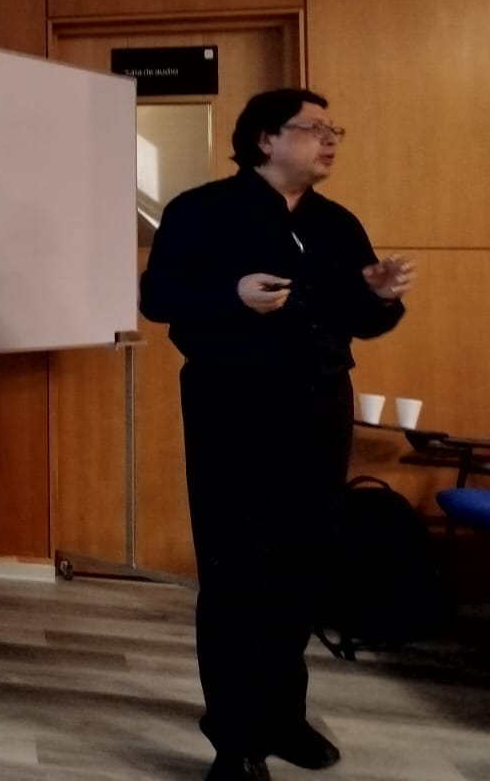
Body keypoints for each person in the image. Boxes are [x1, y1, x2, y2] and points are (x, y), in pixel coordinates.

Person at [140, 89, 415, 781]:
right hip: (231, 405)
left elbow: (360, 320)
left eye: (334, 129)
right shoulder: (200, 211)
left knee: (305, 561)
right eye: (314, 128)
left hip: (319, 406)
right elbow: (158, 298)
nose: (330, 139)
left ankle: (284, 716)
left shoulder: (336, 223)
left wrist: (381, 296)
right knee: (237, 569)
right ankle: (236, 740)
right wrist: (230, 296)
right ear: (265, 139)